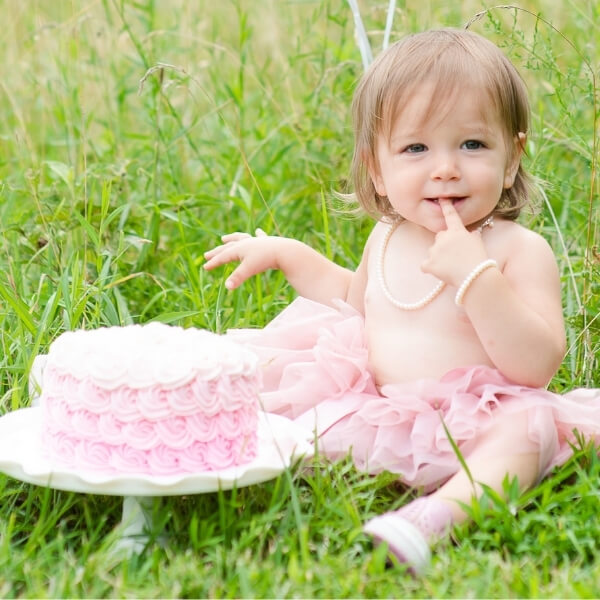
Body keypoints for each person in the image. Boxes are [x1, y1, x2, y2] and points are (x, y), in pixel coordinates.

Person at [203, 28, 600, 574]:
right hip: (385, 409)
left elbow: (535, 366)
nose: (445, 168)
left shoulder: (517, 251)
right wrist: (291, 255)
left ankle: (435, 517)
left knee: (530, 428)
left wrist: (478, 279)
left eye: (473, 144)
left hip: (479, 421)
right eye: (416, 148)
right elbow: (355, 300)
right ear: (377, 170)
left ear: (512, 158)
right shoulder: (387, 237)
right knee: (271, 388)